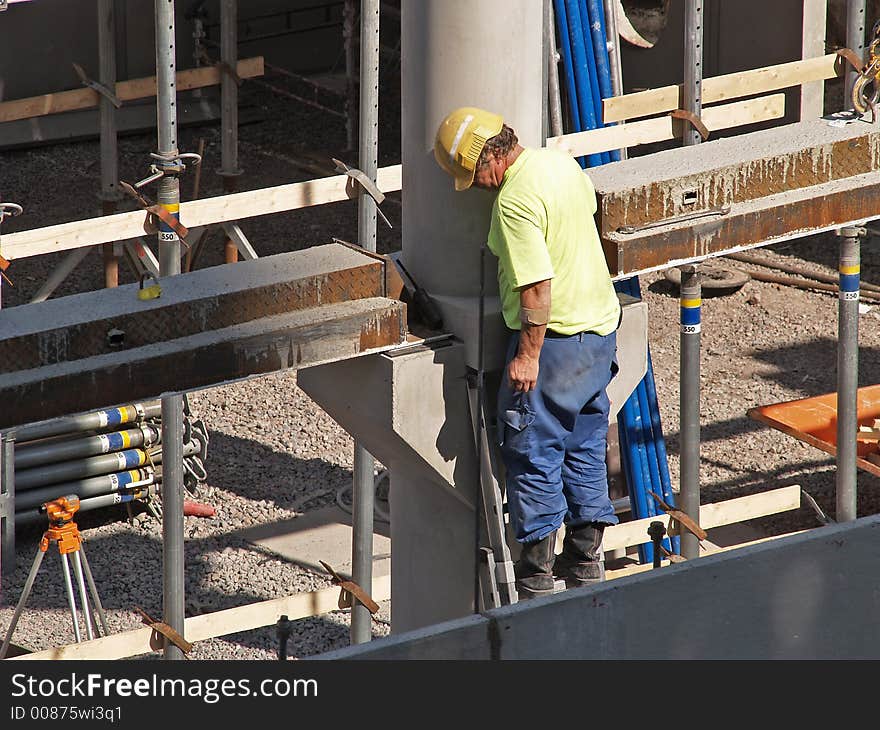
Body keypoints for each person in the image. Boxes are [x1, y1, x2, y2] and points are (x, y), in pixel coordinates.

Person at [434, 107, 621, 599]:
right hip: (598, 336)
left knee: (532, 449)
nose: (475, 187)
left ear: (486, 161)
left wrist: (527, 356)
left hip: (554, 345)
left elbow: (536, 288)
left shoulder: (513, 200)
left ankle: (536, 579)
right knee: (583, 445)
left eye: (472, 177)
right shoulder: (559, 164)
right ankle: (585, 564)